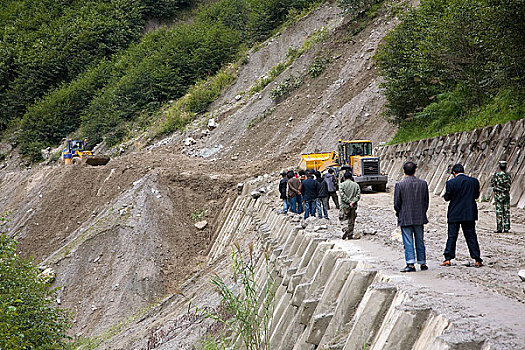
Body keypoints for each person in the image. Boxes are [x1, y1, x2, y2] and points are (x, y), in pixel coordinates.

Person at [441, 164, 483, 267]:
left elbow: (447, 197)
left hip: (454, 212)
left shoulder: (450, 183)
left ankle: (448, 258)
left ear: (454, 173)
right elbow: (476, 195)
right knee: (471, 235)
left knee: (452, 236)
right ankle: (477, 259)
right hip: (469, 212)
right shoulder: (474, 181)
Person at [394, 162, 429, 272]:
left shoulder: (400, 185)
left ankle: (410, 263)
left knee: (408, 241)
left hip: (405, 216)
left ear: (404, 171)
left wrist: (399, 213)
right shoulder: (423, 184)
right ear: (415, 170)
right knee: (420, 240)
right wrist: (422, 212)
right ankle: (422, 263)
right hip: (419, 217)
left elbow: (397, 203)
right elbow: (426, 201)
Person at [490, 160, 511, 233]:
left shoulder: (496, 175)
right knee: (506, 212)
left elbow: (492, 184)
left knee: (499, 212)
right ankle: (506, 227)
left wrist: (497, 188)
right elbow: (509, 185)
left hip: (498, 196)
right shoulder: (508, 175)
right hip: (506, 195)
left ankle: (499, 228)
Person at [339, 172, 361, 239]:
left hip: (344, 206)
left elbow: (342, 195)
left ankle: (345, 230)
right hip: (353, 206)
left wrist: (348, 202)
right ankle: (350, 234)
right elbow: (358, 195)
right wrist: (353, 202)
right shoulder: (356, 185)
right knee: (351, 220)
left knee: (344, 219)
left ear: (344, 177)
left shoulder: (341, 185)